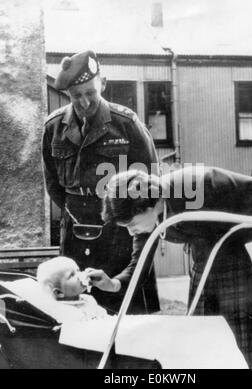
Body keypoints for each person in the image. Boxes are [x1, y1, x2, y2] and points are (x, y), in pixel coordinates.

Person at [98, 166, 252, 368]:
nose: (131, 232)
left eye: (131, 224)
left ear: (146, 206)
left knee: (246, 342)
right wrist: (113, 284)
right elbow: (139, 264)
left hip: (235, 260)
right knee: (202, 342)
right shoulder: (147, 219)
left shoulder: (196, 184)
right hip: (203, 263)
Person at [42, 50, 160, 315]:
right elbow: (53, 184)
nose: (83, 103)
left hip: (119, 232)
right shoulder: (53, 128)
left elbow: (152, 184)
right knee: (78, 312)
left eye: (90, 93)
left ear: (102, 84)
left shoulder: (126, 124)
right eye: (76, 96)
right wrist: (79, 211)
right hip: (76, 231)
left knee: (126, 314)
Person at [36, 256, 107, 321]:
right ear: (59, 293)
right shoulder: (63, 311)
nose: (80, 275)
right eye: (72, 275)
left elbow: (104, 316)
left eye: (78, 271)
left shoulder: (88, 299)